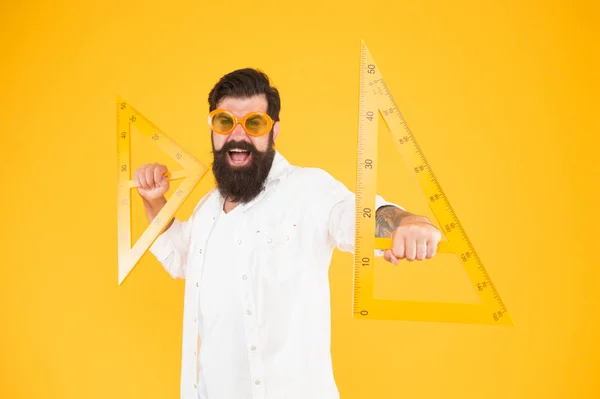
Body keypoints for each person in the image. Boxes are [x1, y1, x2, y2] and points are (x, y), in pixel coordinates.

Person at [133, 68, 442, 399]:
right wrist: (155, 202)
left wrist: (405, 222)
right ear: (213, 129)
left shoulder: (308, 190)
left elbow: (356, 214)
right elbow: (179, 258)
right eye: (225, 122)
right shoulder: (207, 209)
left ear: (274, 131)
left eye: (254, 123)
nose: (238, 135)